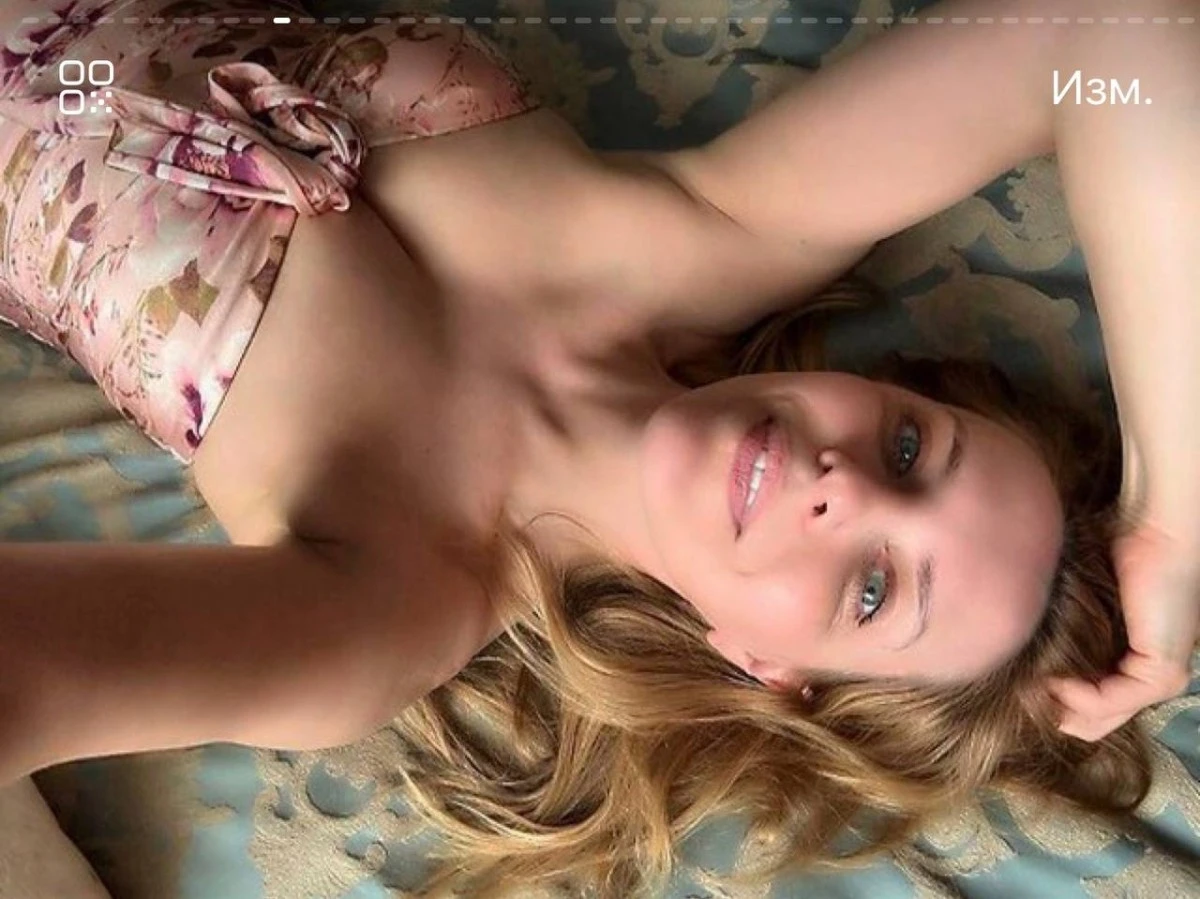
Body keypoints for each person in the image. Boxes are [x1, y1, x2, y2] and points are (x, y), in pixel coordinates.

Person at [0, 0, 1196, 894]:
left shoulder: (387, 600)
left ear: (766, 663)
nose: (845, 488)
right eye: (906, 449)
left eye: (875, 586)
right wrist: (1175, 519)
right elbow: (1107, 34)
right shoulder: (715, 229)